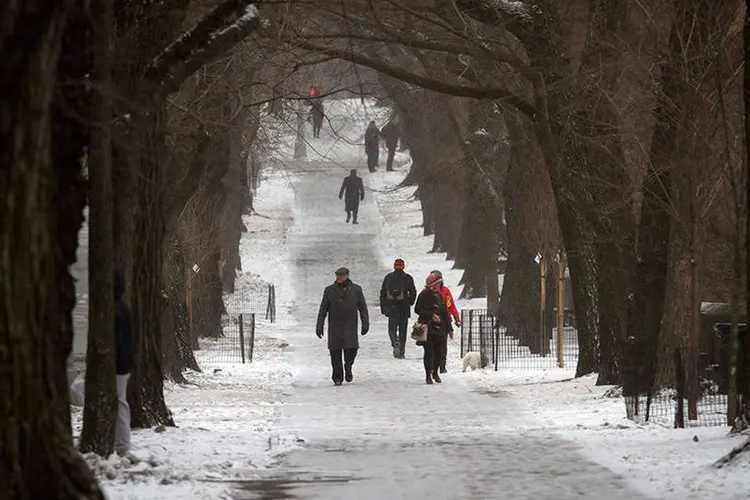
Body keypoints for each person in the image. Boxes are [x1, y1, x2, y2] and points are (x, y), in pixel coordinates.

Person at [316, 267, 370, 385]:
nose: (339, 277)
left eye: (341, 275)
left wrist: (365, 323)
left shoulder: (356, 289)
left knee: (352, 349)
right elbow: (323, 309)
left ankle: (348, 367)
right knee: (335, 352)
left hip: (350, 325)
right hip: (335, 326)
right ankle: (337, 377)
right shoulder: (329, 290)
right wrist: (319, 325)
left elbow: (362, 307)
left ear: (347, 275)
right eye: (337, 275)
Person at [414, 272, 453, 384]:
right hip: (427, 327)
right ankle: (428, 375)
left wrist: (450, 328)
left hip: (440, 328)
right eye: (438, 283)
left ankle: (435, 372)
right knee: (428, 352)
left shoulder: (440, 295)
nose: (440, 285)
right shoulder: (424, 294)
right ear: (433, 284)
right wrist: (431, 315)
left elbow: (445, 312)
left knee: (438, 352)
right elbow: (417, 309)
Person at [114, 270, 134, 457]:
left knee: (119, 403)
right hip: (123, 363)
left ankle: (122, 444)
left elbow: (116, 341)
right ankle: (120, 442)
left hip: (118, 365)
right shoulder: (122, 308)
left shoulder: (116, 310)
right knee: (119, 401)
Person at [379, 258, 417, 358]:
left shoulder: (388, 278)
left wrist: (383, 307)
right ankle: (402, 351)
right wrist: (410, 302)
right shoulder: (408, 278)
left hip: (392, 308)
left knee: (392, 329)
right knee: (403, 330)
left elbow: (383, 293)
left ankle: (395, 342)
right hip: (404, 308)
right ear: (403, 266)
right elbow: (413, 292)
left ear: (394, 266)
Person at [429, 270, 461, 373]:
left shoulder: (445, 291)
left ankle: (442, 366)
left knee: (443, 345)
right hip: (431, 321)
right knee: (432, 345)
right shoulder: (427, 292)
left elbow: (451, 304)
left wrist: (456, 318)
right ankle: (432, 365)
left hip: (444, 320)